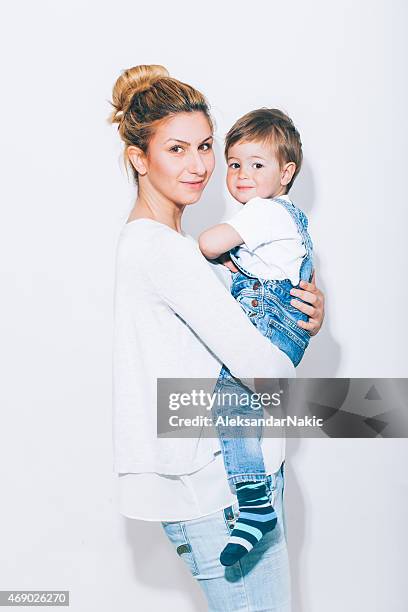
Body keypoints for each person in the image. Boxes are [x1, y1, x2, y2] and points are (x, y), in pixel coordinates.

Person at [108, 64, 325, 611]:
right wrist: (293, 330)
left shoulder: (171, 248)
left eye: (205, 146)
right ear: (140, 158)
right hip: (220, 496)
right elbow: (264, 370)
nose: (200, 165)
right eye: (176, 149)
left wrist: (300, 312)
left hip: (218, 485)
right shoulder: (166, 251)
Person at [198, 108, 314, 566]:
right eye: (234, 163)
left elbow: (208, 244)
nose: (242, 174)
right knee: (239, 407)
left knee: (229, 401)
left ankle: (254, 504)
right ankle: (255, 502)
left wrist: (212, 246)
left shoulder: (264, 213)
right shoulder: (279, 220)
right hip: (282, 325)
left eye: (257, 164)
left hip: (272, 322)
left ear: (285, 174)